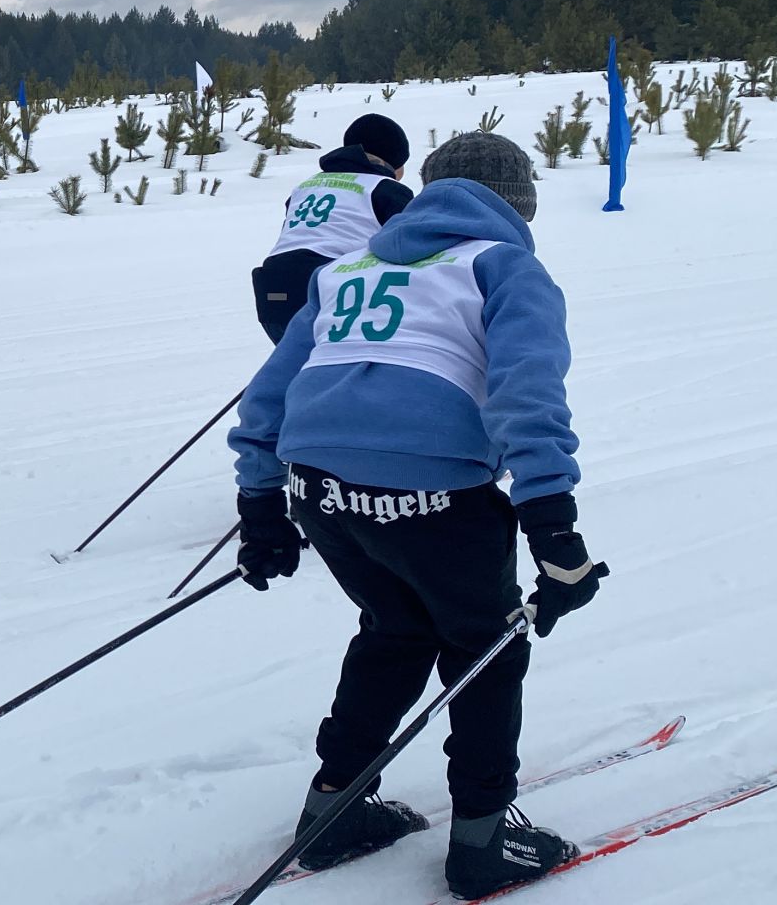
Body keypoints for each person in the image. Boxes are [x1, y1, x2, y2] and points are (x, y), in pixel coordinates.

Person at [224, 131, 608, 900]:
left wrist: (261, 505)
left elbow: (267, 395)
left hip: (322, 492)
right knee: (484, 649)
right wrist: (554, 530)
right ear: (517, 201)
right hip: (438, 501)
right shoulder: (506, 266)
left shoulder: (347, 268)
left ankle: (333, 810)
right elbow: (527, 397)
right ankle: (484, 839)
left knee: (396, 631)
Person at [251, 114, 416, 343]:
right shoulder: (385, 189)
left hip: (272, 292)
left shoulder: (305, 187)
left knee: (299, 372)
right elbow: (410, 247)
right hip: (329, 289)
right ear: (394, 163)